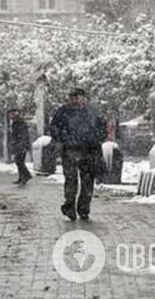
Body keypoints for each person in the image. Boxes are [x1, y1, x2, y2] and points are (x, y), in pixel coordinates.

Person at [50, 88, 106, 221]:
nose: (74, 100)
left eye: (77, 97)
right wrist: (63, 139)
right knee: (71, 180)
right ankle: (70, 207)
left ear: (84, 98)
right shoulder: (63, 112)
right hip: (70, 151)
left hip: (89, 151)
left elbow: (102, 128)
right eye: (72, 97)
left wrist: (96, 139)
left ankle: (84, 209)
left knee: (87, 182)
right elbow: (54, 128)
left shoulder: (93, 112)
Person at [8, 109, 32, 185]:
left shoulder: (20, 123)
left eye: (11, 115)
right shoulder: (15, 123)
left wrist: (23, 145)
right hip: (18, 144)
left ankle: (26, 175)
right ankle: (21, 177)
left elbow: (23, 135)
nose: (9, 116)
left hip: (21, 145)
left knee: (19, 160)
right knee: (19, 161)